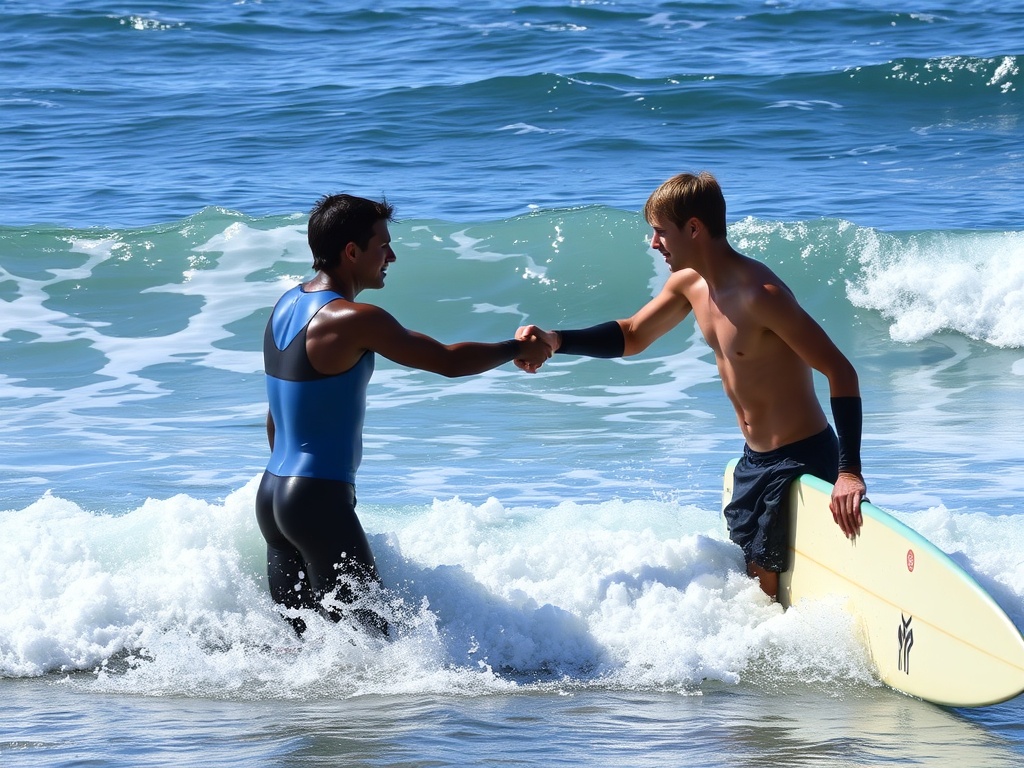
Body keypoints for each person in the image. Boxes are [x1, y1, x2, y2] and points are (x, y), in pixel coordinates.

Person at [515, 172, 866, 599]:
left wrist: (849, 472)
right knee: (754, 586)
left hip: (801, 459)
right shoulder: (690, 284)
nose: (654, 243)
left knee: (765, 587)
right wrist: (557, 341)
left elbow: (840, 371)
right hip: (754, 462)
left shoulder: (761, 295)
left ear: (694, 228)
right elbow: (632, 334)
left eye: (661, 231)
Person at [257, 193, 552, 635]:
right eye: (383, 245)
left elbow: (275, 414)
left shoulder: (286, 305)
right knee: (372, 644)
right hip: (316, 497)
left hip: (273, 494)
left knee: (307, 652)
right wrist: (517, 348)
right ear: (352, 252)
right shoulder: (350, 318)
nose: (390, 256)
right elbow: (447, 361)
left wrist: (297, 490)